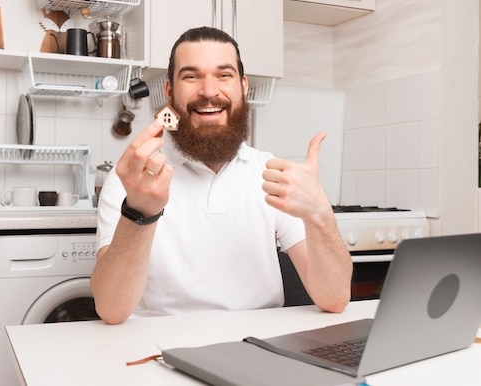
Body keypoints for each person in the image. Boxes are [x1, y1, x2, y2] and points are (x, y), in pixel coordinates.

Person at [91, 26, 352, 325]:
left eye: (223, 75)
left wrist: (319, 211)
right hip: (156, 349)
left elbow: (334, 299)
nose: (209, 91)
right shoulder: (132, 178)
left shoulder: (270, 173)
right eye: (191, 76)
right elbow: (111, 310)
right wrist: (139, 211)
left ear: (243, 87)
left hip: (258, 347)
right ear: (169, 91)